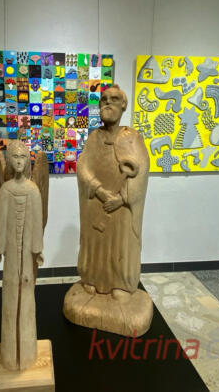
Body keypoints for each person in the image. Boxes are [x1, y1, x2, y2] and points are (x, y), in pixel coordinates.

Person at [76, 84, 149, 298]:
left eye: (114, 99)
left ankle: (121, 284)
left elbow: (141, 171)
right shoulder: (94, 137)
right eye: (104, 99)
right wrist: (99, 190)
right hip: (96, 201)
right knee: (95, 240)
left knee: (120, 242)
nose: (107, 103)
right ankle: (92, 278)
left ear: (123, 105)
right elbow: (82, 167)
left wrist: (121, 198)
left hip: (122, 205)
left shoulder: (132, 137)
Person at [0, 141, 44, 370]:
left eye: (23, 157)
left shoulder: (33, 190)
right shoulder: (5, 190)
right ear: (10, 161)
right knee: (11, 286)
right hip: (12, 251)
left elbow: (37, 222)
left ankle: (26, 350)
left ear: (28, 160)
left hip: (27, 250)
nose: (20, 161)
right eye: (15, 157)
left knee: (26, 287)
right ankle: (11, 351)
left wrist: (38, 250)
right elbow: (0, 222)